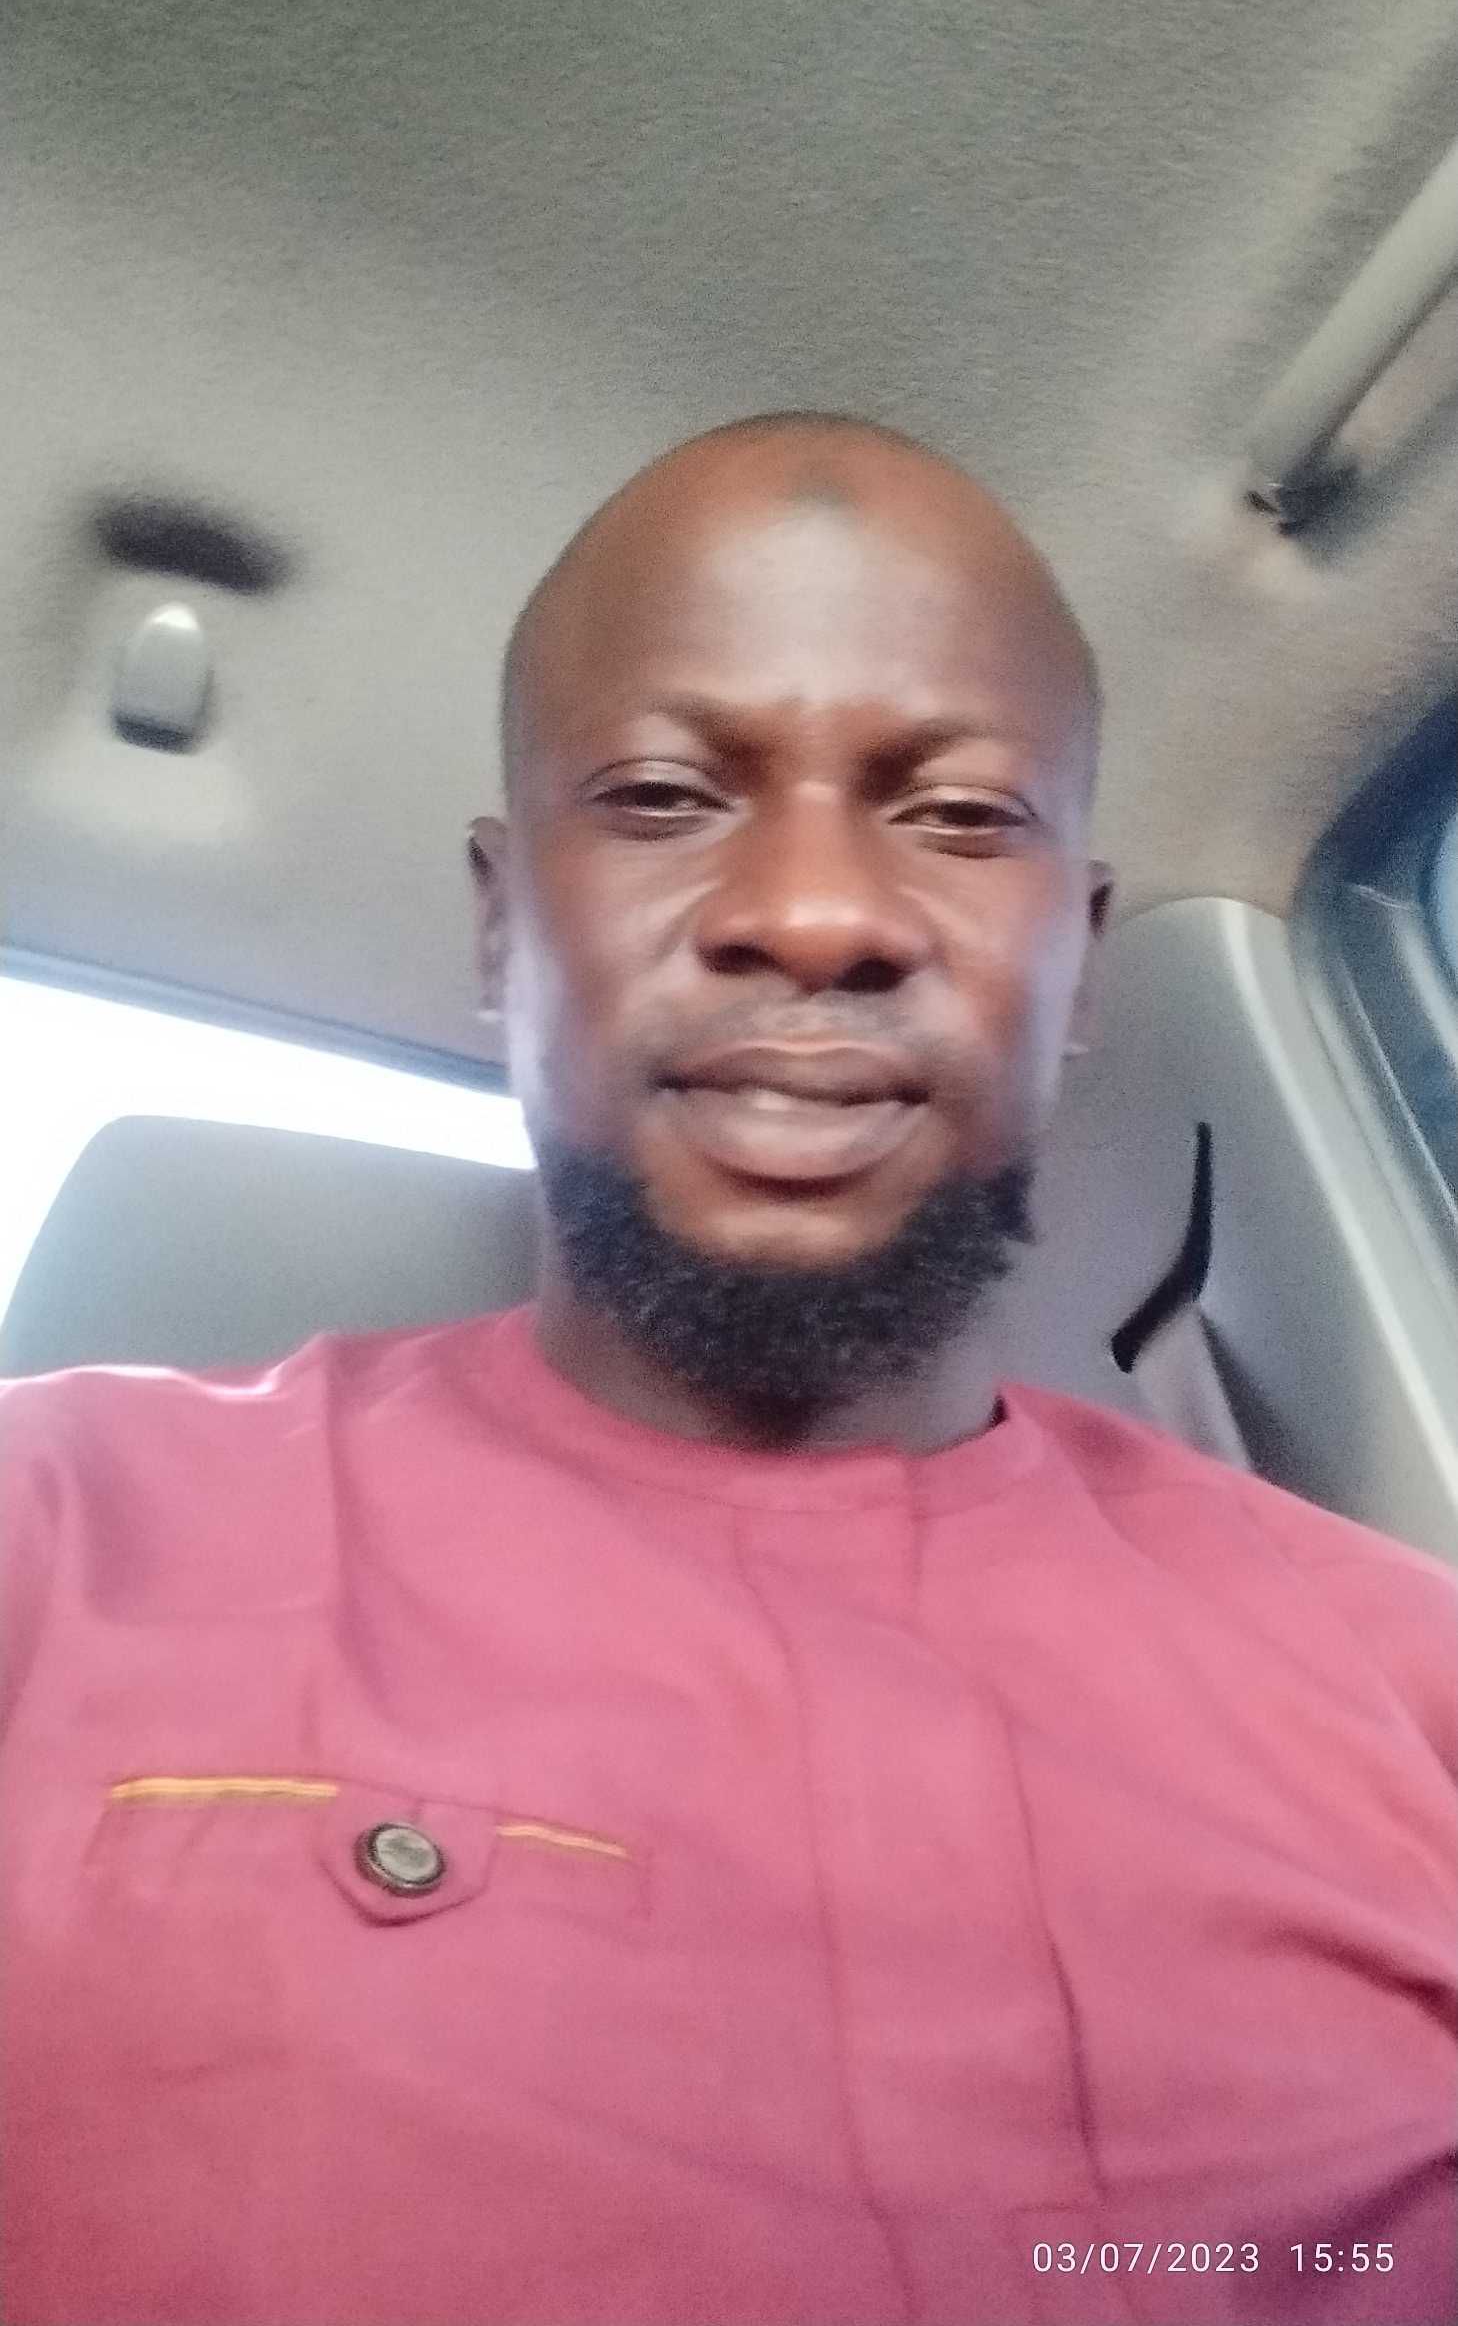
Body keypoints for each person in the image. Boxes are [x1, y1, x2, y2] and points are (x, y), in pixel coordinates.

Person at [1, 412, 1453, 2326]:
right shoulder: (57, 1532)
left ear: (1083, 966)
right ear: (503, 926)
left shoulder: (1408, 1679)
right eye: (667, 795)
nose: (816, 916)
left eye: (959, 815)